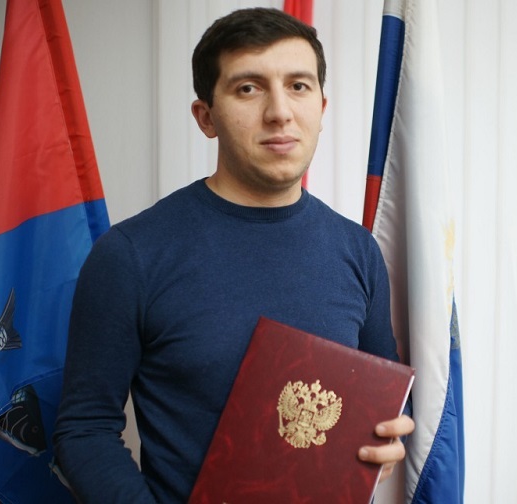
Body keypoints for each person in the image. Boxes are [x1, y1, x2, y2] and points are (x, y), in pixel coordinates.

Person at [53, 7, 414, 503]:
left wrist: (387, 438)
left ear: (321, 108)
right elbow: (83, 429)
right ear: (206, 117)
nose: (280, 111)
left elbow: (383, 399)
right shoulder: (130, 255)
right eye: (248, 88)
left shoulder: (358, 251)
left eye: (299, 86)